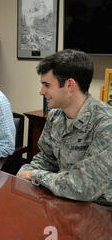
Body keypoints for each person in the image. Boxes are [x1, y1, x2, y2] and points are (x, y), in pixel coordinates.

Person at [17, 49, 112, 207]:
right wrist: (22, 176)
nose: (41, 92)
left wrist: (34, 175)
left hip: (99, 212)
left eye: (47, 85)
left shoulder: (106, 124)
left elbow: (83, 186)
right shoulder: (55, 116)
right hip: (63, 201)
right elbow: (46, 158)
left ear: (69, 85)